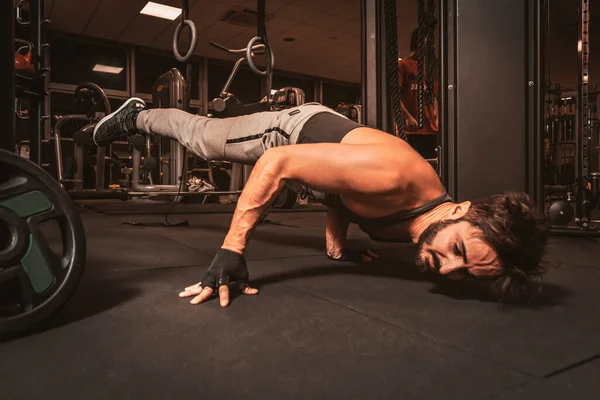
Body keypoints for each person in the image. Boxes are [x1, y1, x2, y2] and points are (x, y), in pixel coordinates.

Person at [93, 98, 550, 308]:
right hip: (291, 133)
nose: (450, 269)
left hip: (313, 152)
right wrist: (231, 251)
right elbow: (277, 162)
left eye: (468, 275)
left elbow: (345, 195)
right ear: (459, 210)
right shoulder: (395, 179)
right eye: (462, 253)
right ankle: (139, 115)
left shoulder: (420, 228)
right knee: (204, 141)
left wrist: (336, 244)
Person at [398, 29, 439, 159]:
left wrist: (437, 117)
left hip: (430, 130)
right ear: (418, 42)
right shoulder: (403, 65)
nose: (431, 46)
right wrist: (408, 117)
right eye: (428, 42)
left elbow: (433, 96)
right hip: (411, 130)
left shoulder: (431, 69)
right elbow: (394, 98)